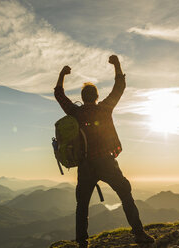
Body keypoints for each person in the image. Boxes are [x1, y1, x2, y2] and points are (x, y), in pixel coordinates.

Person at [54, 55, 155, 247]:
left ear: (83, 98)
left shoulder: (75, 113)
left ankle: (82, 243)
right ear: (97, 97)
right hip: (106, 162)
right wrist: (116, 64)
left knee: (82, 205)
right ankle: (139, 233)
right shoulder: (105, 109)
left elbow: (59, 95)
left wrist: (62, 74)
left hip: (85, 166)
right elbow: (119, 87)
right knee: (125, 193)